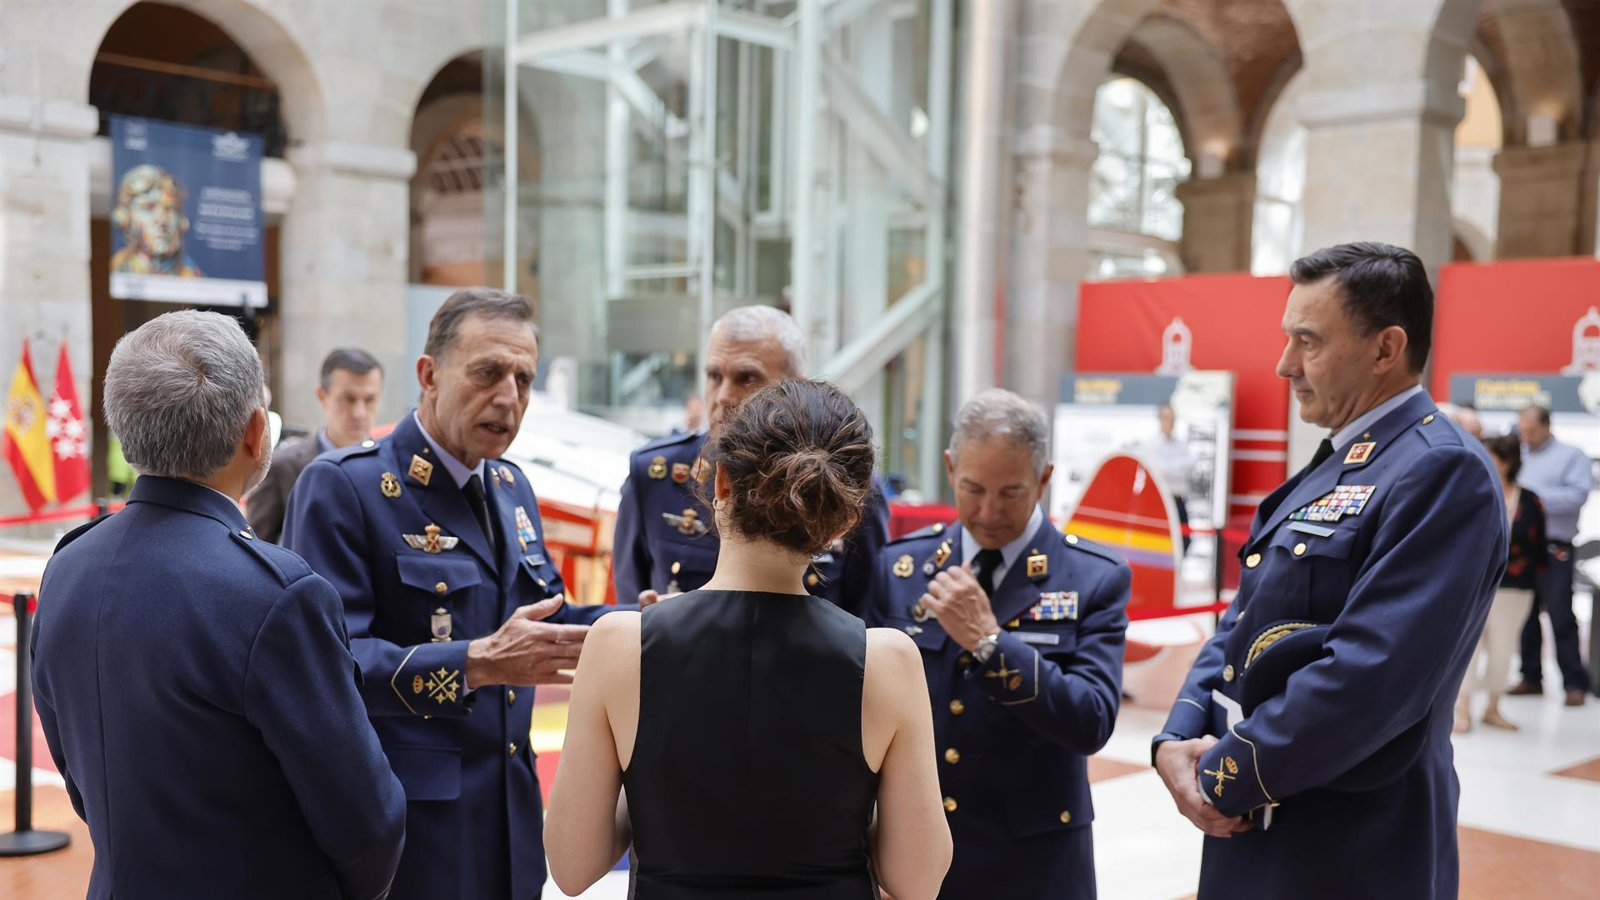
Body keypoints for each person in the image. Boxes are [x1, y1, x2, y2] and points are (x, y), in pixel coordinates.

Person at [1150, 242, 1506, 899]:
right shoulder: (1340, 464)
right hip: (1257, 822)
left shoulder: (1441, 471)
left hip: (1353, 841)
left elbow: (1373, 674)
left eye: (1308, 342)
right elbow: (1243, 623)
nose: (1285, 365)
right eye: (1289, 338)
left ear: (1385, 348)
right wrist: (1179, 736)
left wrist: (1221, 774)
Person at [32, 310, 404, 899]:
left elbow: (81, 780)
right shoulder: (277, 593)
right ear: (256, 431)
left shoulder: (68, 565)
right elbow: (368, 820)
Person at [546, 380, 951, 900]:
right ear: (844, 522)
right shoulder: (888, 661)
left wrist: (648, 782)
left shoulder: (621, 645)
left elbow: (572, 866)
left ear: (721, 486)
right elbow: (916, 881)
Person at [284, 288, 626, 900]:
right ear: (429, 374)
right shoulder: (346, 488)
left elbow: (544, 618)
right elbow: (328, 666)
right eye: (488, 373)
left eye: (523, 379)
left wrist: (641, 619)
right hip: (410, 826)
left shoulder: (511, 486)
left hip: (510, 811)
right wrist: (476, 663)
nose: (508, 397)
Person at [866, 388, 1131, 900]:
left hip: (1034, 864)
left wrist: (990, 642)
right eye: (972, 489)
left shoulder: (1094, 578)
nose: (988, 511)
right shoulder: (900, 568)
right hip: (919, 857)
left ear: (1044, 478)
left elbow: (1091, 720)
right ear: (949, 468)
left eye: (1010, 492)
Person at [612, 305, 889, 615]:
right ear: (722, 481)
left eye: (747, 378)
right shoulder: (655, 475)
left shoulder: (842, 483)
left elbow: (870, 621)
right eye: (714, 376)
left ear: (796, 385)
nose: (723, 396)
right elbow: (633, 608)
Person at [1457, 434, 1548, 732]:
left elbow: (1538, 546)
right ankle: (1462, 710)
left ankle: (1493, 708)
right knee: (1467, 648)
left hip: (1514, 588)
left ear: (1507, 462)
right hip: (1474, 584)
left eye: (1491, 456)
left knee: (1502, 649)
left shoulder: (1529, 500)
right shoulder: (1473, 493)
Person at [248, 347, 384, 543]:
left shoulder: (391, 469)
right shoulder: (283, 468)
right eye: (348, 399)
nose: (359, 413)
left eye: (369, 400)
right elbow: (257, 547)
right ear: (322, 396)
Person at [1509, 404, 1593, 706]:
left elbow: (1577, 495)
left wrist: (1534, 501)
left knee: (1560, 614)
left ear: (1546, 426)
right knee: (1525, 615)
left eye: (1531, 431)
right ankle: (1530, 677)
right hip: (1521, 549)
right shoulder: (1519, 456)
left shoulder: (1571, 456)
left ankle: (1574, 682)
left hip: (1554, 546)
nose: (1526, 437)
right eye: (1522, 431)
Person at [109, 164, 203, 277]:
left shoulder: (194, 276)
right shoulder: (115, 270)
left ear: (181, 221)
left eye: (170, 209)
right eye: (148, 208)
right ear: (126, 219)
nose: (162, 220)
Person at [1142, 403, 1197, 552]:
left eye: (1173, 418)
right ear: (1160, 419)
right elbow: (1160, 471)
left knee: (1184, 540)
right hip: (1159, 500)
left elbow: (1190, 466)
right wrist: (1176, 468)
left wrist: (1171, 469)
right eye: (1167, 418)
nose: (1170, 422)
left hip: (1178, 499)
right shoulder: (1151, 445)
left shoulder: (1181, 444)